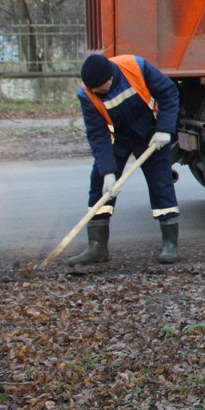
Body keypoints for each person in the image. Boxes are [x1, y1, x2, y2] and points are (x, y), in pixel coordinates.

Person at [67, 53, 182, 265]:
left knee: (161, 183)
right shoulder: (86, 93)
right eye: (94, 90)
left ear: (110, 77)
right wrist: (108, 172)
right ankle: (97, 248)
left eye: (100, 88)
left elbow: (169, 92)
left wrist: (164, 129)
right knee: (99, 185)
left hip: (150, 133)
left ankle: (170, 246)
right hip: (117, 138)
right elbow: (97, 134)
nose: (97, 93)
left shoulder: (135, 67)